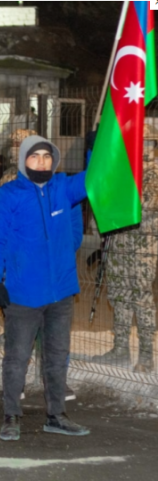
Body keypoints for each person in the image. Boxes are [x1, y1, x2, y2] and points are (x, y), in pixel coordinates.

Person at [0, 135, 89, 441]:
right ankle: (11, 415)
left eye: (47, 156)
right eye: (35, 156)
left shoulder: (63, 188)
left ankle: (56, 415)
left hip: (61, 292)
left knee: (57, 357)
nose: (41, 161)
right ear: (23, 160)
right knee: (17, 358)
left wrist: (105, 144)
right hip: (23, 293)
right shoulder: (9, 194)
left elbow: (96, 177)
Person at [93, 143, 158, 373]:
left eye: (146, 144)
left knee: (142, 300)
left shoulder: (153, 175)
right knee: (119, 296)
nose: (141, 148)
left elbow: (142, 204)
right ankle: (120, 348)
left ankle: (147, 353)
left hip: (142, 250)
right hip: (119, 246)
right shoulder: (123, 173)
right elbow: (104, 203)